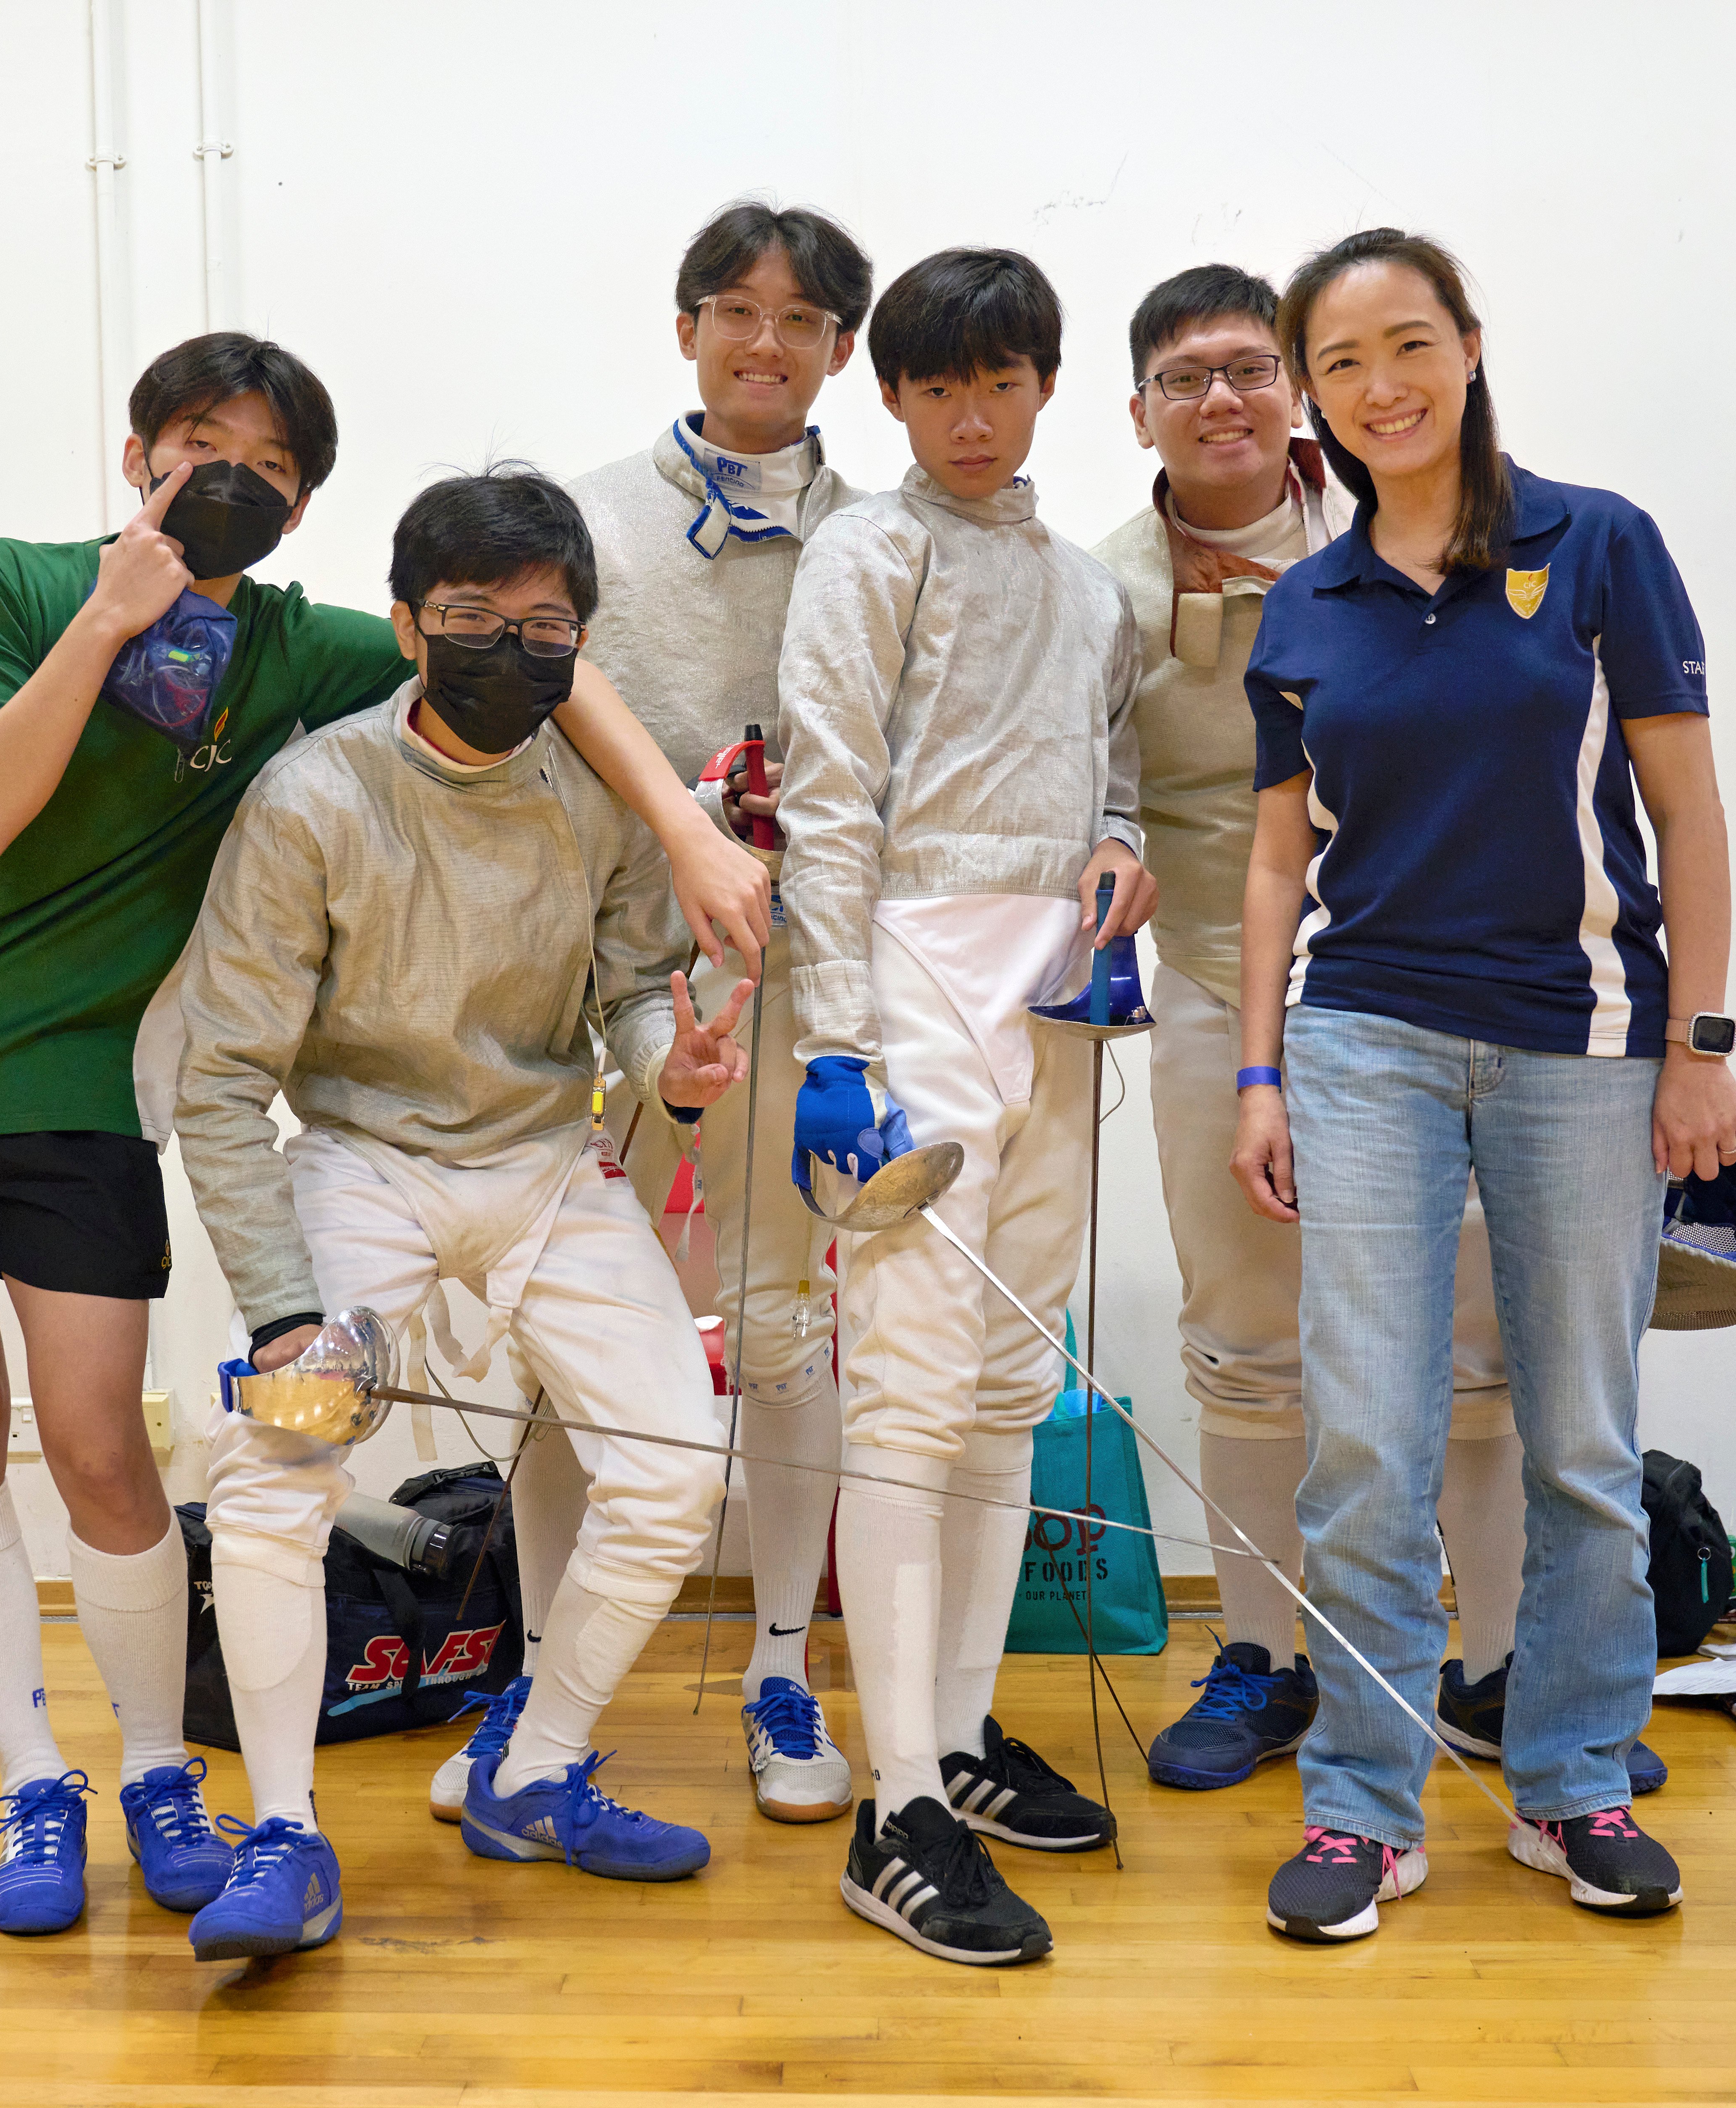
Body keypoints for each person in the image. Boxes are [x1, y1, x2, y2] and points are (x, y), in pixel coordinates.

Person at [0, 334, 769, 1941]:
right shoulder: (44, 598)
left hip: (171, 1109)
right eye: (197, 444)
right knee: (79, 1443)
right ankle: (122, 1800)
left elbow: (537, 666)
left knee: (115, 1450)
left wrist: (680, 966)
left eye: (269, 461)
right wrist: (285, 1313)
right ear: (138, 455)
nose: (229, 479)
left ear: (308, 505)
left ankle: (416, 1768)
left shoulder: (312, 652)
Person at [1231, 230, 1736, 1941]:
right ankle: (1361, 1813)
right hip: (1359, 1035)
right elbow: (1268, 861)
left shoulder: (1594, 546)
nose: (1378, 385)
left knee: (1581, 1442)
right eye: (1339, 362)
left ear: (1466, 345)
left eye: (1406, 344)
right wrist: (1254, 1067)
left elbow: (1685, 814)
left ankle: (1569, 1782)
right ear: (1311, 393)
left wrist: (1699, 1048)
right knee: (1364, 1442)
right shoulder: (1304, 604)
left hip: (1581, 1040)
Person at [174, 467, 748, 1961]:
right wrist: (291, 1313)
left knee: (678, 1469)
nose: (511, 648)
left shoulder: (602, 796)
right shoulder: (314, 799)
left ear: (584, 641)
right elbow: (224, 1083)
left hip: (549, 1167)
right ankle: (287, 1834)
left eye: (546, 625)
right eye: (473, 620)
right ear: (407, 626)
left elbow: (627, 989)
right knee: (274, 1473)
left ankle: (536, 1770)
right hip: (363, 1164)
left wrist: (666, 1062)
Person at [1096, 266, 1650, 1797]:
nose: (1220, 400)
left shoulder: (1394, 526)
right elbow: (1083, 780)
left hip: (1435, 992)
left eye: (1247, 370)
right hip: (1226, 990)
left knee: (1476, 1351)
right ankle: (1264, 1661)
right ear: (1136, 410)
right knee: (1250, 1349)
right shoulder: (1103, 588)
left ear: (1297, 390)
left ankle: (1490, 1667)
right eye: (1180, 378)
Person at [776, 248, 1147, 1967]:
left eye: (1000, 382)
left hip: (1056, 1003)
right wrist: (834, 1041)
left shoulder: (1089, 592)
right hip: (914, 985)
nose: (972, 415)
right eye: (938, 388)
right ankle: (891, 1798)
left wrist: (1123, 858)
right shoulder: (869, 551)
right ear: (894, 398)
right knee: (912, 1394)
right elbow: (828, 795)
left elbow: (1114, 762)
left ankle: (963, 1734)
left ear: (1047, 384)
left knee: (1008, 1382)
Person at [516, 198, 875, 1832]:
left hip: (787, 991)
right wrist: (680, 819)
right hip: (591, 982)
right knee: (558, 1342)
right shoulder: (580, 520)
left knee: (789, 1329)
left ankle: (784, 1661)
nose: (765, 343)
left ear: (841, 352)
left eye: (802, 322)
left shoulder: (880, 536)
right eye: (736, 310)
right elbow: (538, 674)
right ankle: (543, 1676)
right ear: (685, 328)